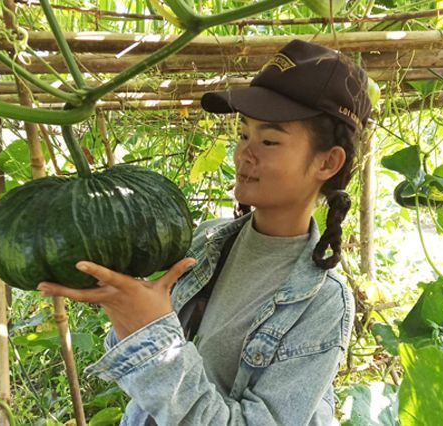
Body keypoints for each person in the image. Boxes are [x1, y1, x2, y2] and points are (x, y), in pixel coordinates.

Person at [37, 39, 372, 425]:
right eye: (244, 134)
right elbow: (151, 379)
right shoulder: (207, 241)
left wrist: (152, 334)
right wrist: (125, 309)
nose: (245, 153)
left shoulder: (323, 304)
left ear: (328, 162)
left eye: (269, 140)